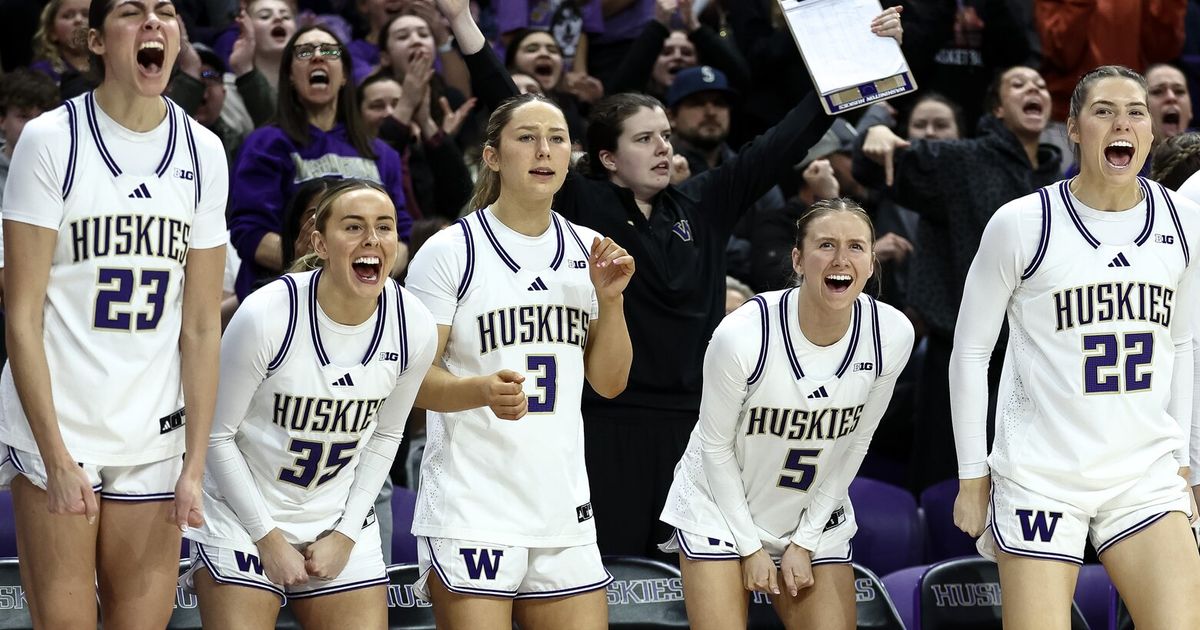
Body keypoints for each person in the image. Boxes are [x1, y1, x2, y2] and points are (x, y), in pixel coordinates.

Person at [434, 0, 902, 559]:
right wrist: (464, 23)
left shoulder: (704, 202)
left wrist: (855, 50)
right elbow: (510, 106)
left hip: (696, 427)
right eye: (644, 139)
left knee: (689, 587)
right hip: (606, 422)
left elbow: (786, 140)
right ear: (606, 157)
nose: (664, 147)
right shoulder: (583, 204)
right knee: (618, 578)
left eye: (665, 135)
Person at [0, 0, 229, 625]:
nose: (154, 22)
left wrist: (195, 462)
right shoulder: (51, 140)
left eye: (166, 12)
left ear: (180, 39)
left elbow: (203, 325)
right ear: (97, 41)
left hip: (153, 429)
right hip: (61, 420)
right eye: (133, 12)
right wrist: (52, 453)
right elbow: (20, 314)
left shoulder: (204, 151)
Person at [951, 65, 1200, 630]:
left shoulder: (1185, 222)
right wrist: (972, 476)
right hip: (1042, 473)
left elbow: (1183, 344)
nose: (1123, 123)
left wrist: (1184, 464)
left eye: (1135, 112)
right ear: (1075, 129)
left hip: (1143, 471)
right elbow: (969, 351)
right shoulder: (1022, 223)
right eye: (1104, 110)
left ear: (1151, 132)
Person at [406, 91, 635, 628]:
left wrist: (612, 301)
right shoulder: (449, 252)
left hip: (562, 503)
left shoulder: (591, 249)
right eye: (527, 138)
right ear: (492, 157)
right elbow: (412, 382)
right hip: (473, 504)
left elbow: (610, 383)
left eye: (557, 139)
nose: (544, 150)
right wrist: (479, 390)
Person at [181, 180, 437, 628]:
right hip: (242, 515)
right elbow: (215, 436)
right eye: (353, 227)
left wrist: (344, 534)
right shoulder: (267, 313)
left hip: (334, 515)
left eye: (385, 227)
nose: (372, 240)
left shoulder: (413, 323)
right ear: (319, 242)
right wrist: (267, 538)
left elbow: (387, 436)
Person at [662, 199, 914, 630]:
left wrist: (806, 539)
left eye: (856, 247)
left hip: (810, 513)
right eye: (825, 245)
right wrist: (749, 547)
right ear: (797, 259)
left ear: (872, 263)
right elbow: (714, 445)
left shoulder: (891, 334)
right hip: (721, 510)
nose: (840, 259)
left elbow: (856, 441)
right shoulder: (744, 333)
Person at [854, 65, 1062, 491]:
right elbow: (871, 168)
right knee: (950, 485)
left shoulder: (1058, 182)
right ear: (998, 109)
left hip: (1034, 358)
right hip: (963, 352)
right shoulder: (963, 159)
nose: (1034, 88)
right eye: (1018, 84)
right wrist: (874, 135)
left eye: (1040, 83)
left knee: (1025, 486)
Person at [228, 25, 412, 300]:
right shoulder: (264, 144)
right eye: (304, 52)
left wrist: (366, 272)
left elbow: (402, 239)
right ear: (289, 75)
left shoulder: (383, 154)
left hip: (366, 302)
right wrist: (317, 265)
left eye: (329, 51)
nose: (317, 57)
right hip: (285, 300)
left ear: (345, 75)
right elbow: (249, 234)